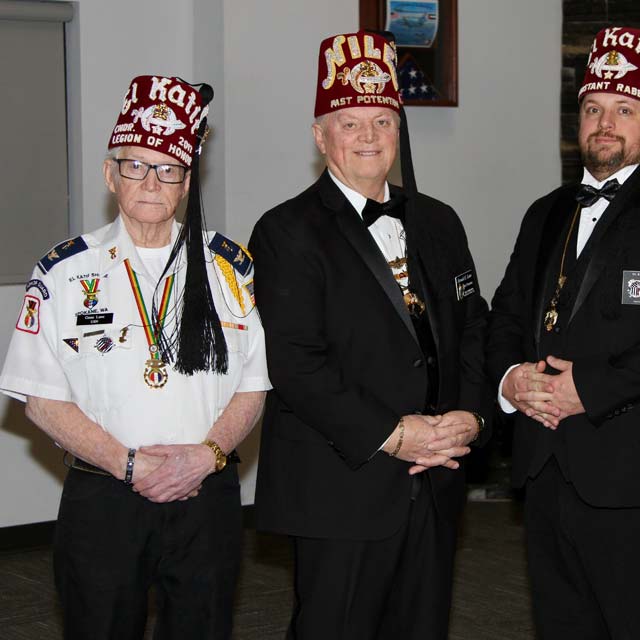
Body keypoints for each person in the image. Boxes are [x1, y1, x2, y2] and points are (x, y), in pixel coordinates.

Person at [486, 26, 640, 639]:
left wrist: (588, 389)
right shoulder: (544, 211)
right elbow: (507, 312)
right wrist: (510, 380)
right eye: (593, 109)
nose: (605, 123)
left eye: (625, 109)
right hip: (546, 468)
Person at [0, 75, 270, 639]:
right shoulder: (64, 271)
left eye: (169, 168)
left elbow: (253, 385)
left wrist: (207, 454)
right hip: (104, 498)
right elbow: (41, 400)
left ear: (188, 181)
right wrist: (128, 464)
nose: (152, 181)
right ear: (110, 173)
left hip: (206, 495)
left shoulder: (230, 268)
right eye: (136, 165)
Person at [249, 30, 491, 640]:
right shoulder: (285, 232)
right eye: (349, 122)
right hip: (342, 486)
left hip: (435, 478)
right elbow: (297, 364)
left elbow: (474, 328)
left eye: (381, 121)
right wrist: (394, 434)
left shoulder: (439, 220)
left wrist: (473, 416)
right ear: (319, 135)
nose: (367, 137)